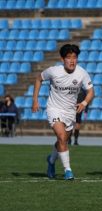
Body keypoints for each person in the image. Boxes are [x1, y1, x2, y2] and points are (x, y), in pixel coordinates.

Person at [32, 44, 94, 180]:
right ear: (62, 59)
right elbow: (38, 79)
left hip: (70, 111)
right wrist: (35, 100)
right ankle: (68, 171)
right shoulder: (53, 71)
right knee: (61, 137)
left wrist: (84, 103)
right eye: (68, 57)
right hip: (54, 109)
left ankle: (51, 160)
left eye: (75, 57)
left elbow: (90, 91)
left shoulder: (82, 73)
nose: (72, 60)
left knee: (63, 141)